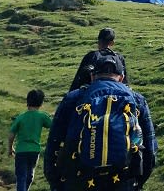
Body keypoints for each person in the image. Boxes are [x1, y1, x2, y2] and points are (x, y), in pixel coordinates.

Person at [44, 55, 157, 191]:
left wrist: (56, 183)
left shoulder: (73, 99)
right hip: (123, 181)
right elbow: (150, 150)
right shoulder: (137, 100)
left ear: (92, 76)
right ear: (121, 78)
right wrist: (138, 182)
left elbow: (53, 144)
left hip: (79, 181)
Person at [8, 89, 52, 191]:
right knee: (29, 176)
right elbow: (53, 125)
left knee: (21, 177)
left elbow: (11, 134)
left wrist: (10, 148)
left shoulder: (21, 117)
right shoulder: (42, 116)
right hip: (34, 151)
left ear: (27, 101)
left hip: (21, 151)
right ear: (41, 102)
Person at [68, 27, 129, 92]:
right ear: (112, 43)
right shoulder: (119, 58)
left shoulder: (91, 56)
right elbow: (125, 83)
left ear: (98, 41)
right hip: (116, 93)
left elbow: (78, 80)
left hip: (91, 93)